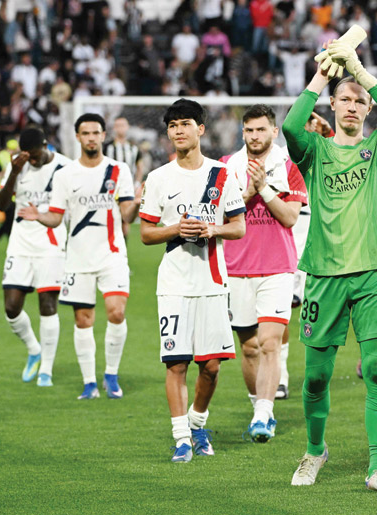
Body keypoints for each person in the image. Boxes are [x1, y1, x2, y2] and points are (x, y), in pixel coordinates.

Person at [283, 37, 377, 492]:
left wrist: (357, 70)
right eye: (346, 100)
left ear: (368, 109)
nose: (353, 107)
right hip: (324, 273)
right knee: (316, 377)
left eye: (360, 102)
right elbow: (290, 126)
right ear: (333, 106)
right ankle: (314, 451)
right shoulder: (314, 151)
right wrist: (323, 75)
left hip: (374, 272)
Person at [139, 99, 246, 463]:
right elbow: (146, 233)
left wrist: (213, 229)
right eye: (172, 126)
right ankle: (181, 437)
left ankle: (198, 423)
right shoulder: (158, 178)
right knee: (177, 364)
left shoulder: (222, 174)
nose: (178, 131)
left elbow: (239, 226)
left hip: (213, 283)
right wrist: (175, 229)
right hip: (174, 284)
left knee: (211, 366)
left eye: (185, 124)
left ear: (201, 129)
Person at [18, 113, 139, 400]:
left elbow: (127, 215)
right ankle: (89, 383)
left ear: (104, 135)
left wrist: (137, 202)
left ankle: (111, 375)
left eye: (96, 133)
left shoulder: (118, 170)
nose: (91, 138)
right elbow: (56, 217)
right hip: (78, 257)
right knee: (83, 320)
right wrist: (39, 215)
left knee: (117, 312)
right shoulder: (65, 174)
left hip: (112, 254)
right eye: (86, 133)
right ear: (78, 137)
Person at [221, 104, 307, 442]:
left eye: (261, 129)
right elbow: (219, 217)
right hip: (236, 268)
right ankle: (260, 407)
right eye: (249, 130)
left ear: (274, 131)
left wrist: (265, 189)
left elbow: (290, 217)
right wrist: (247, 192)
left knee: (270, 342)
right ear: (243, 133)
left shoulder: (289, 166)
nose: (255, 136)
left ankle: (262, 414)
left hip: (277, 267)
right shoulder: (226, 167)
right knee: (249, 349)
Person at [0, 126, 71, 387]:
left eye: (36, 155)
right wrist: (14, 172)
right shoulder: (18, 166)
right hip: (20, 244)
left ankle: (46, 371)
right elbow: (1, 204)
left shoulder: (65, 167)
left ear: (46, 146)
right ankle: (34, 349)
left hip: (51, 244)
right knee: (11, 308)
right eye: (28, 156)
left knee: (47, 306)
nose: (33, 161)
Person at [279, 111, 333, 400]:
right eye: (302, 122)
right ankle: (280, 377)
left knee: (319, 314)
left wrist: (328, 132)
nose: (308, 126)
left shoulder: (324, 152)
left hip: (319, 240)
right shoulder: (279, 158)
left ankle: (317, 376)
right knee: (282, 311)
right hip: (288, 237)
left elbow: (345, 158)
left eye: (311, 122)